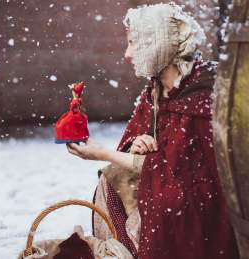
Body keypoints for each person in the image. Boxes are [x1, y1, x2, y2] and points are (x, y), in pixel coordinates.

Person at [67, 3, 238, 259]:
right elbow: (155, 158)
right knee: (111, 180)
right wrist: (138, 143)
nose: (127, 53)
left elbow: (191, 186)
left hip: (204, 232)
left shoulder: (206, 98)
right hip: (165, 212)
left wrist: (103, 154)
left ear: (158, 44)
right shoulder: (154, 93)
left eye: (133, 43)